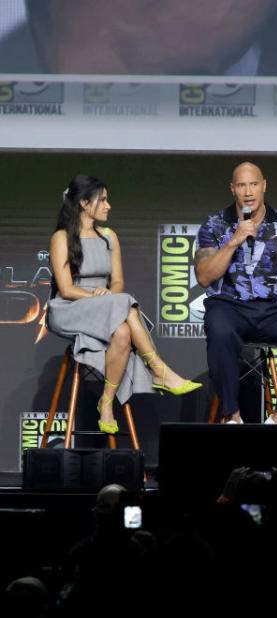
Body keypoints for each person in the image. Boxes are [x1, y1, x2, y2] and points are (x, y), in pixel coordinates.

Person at [47, 174, 200, 434]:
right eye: (102, 200)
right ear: (84, 203)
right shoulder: (61, 238)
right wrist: (101, 300)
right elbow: (66, 289)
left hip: (106, 304)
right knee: (126, 305)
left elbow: (117, 282)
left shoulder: (109, 236)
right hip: (69, 307)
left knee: (123, 331)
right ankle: (158, 368)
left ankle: (106, 403)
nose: (108, 206)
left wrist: (108, 297)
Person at [195, 162, 277, 424]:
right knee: (219, 330)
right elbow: (204, 277)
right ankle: (232, 415)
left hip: (272, 309)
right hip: (228, 306)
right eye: (241, 185)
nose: (248, 192)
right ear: (232, 189)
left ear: (264, 185)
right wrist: (234, 240)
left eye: (253, 184)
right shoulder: (214, 226)